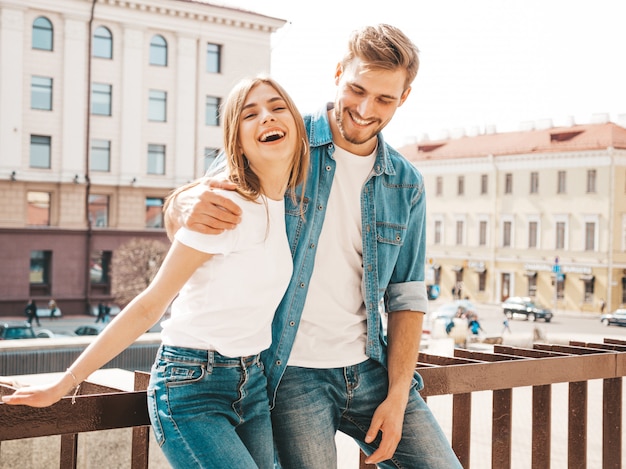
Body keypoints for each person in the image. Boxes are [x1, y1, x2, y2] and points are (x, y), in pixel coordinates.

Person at [165, 24, 461, 469]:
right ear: (338, 73)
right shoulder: (285, 135)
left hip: (370, 371)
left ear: (404, 98)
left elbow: (406, 297)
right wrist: (180, 204)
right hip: (290, 374)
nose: (364, 109)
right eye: (357, 89)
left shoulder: (405, 183)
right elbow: (200, 204)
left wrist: (398, 396)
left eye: (384, 99)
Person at [2, 76, 309, 469]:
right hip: (191, 386)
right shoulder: (223, 207)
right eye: (251, 114)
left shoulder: (282, 206)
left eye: (277, 107)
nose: (267, 117)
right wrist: (66, 382)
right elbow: (151, 304)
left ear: (297, 127)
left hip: (251, 384)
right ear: (238, 140)